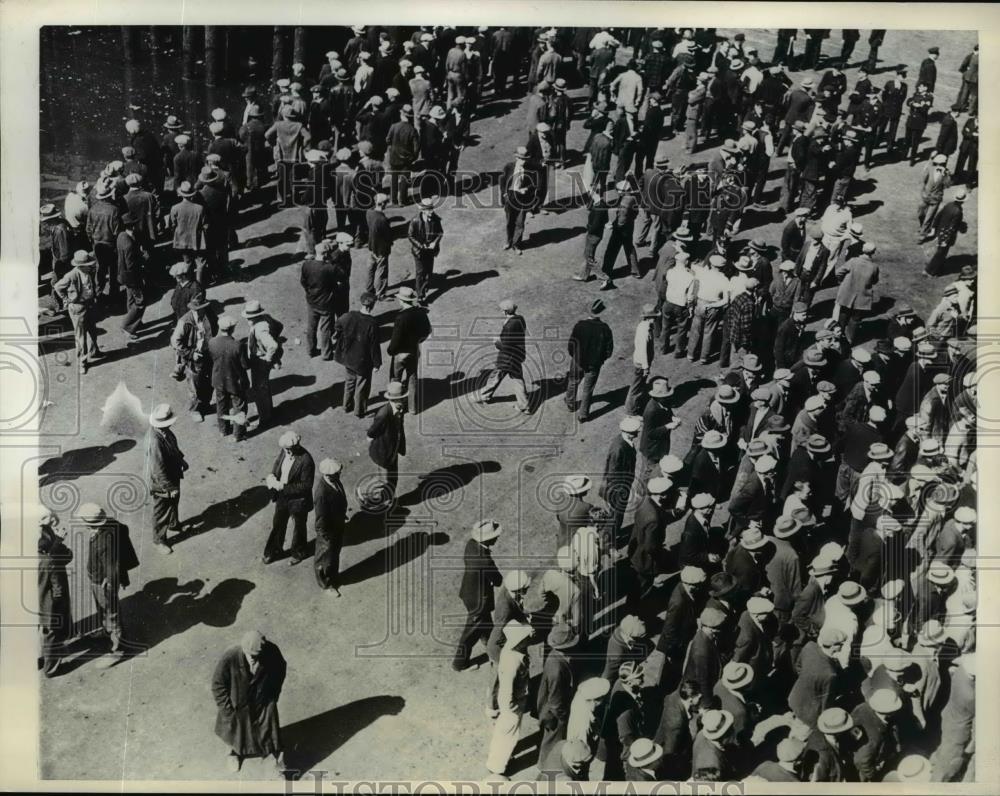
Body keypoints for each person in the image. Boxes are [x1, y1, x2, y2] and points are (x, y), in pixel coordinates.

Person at [211, 630, 287, 774]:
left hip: (262, 700)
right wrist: (227, 711)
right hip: (237, 703)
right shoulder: (230, 656)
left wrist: (273, 694)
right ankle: (233, 754)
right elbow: (217, 685)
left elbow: (280, 669)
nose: (253, 659)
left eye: (257, 656)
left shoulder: (272, 651)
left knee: (269, 733)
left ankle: (274, 763)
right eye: (250, 655)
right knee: (234, 733)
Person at [81, 502, 139, 665]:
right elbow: (123, 529)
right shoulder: (109, 524)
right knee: (103, 610)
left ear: (90, 523)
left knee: (111, 614)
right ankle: (106, 632)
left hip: (104, 584)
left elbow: (112, 567)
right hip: (97, 579)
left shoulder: (104, 542)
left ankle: (117, 649)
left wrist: (111, 586)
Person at [452, 519, 503, 671]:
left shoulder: (471, 545)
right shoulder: (485, 561)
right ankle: (460, 663)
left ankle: (491, 644)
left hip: (469, 592)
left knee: (485, 623)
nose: (497, 538)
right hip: (479, 601)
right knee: (470, 634)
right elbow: (498, 580)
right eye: (495, 536)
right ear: (487, 539)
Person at [485, 621, 532, 779]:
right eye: (525, 637)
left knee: (504, 733)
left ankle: (498, 760)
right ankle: (498, 767)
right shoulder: (513, 661)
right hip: (512, 705)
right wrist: (512, 709)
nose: (529, 638)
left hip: (514, 702)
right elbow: (507, 692)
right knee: (508, 735)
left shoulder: (512, 652)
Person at [475, 299, 530, 413]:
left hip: (507, 357)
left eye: (502, 310)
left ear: (506, 311)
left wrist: (496, 341)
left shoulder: (509, 326)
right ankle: (524, 406)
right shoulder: (520, 319)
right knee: (517, 379)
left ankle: (483, 396)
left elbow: (504, 345)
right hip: (518, 355)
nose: (501, 312)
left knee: (495, 376)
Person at [147, 403, 187, 555]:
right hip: (162, 483)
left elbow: (174, 448)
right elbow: (158, 470)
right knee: (161, 510)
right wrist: (169, 488)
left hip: (173, 475)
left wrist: (181, 460)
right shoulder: (155, 441)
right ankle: (159, 540)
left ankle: (174, 524)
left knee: (174, 503)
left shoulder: (165, 432)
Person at [334, 292, 382, 417]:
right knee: (362, 386)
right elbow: (374, 346)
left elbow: (337, 325)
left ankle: (346, 406)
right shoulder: (372, 323)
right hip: (363, 361)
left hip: (348, 358)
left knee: (349, 382)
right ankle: (359, 411)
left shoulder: (349, 316)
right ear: (372, 305)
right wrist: (377, 363)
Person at [536, 622, 578, 766]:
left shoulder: (555, 656)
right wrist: (564, 718)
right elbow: (555, 702)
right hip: (554, 714)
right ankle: (546, 766)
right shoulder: (557, 670)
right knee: (552, 740)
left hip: (551, 709)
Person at [565, 298, 614, 423]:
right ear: (601, 313)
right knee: (588, 389)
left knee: (573, 381)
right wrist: (601, 359)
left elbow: (571, 344)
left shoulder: (580, 325)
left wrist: (575, 356)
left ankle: (570, 403)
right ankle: (583, 414)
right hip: (594, 364)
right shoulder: (605, 328)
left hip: (577, 361)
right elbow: (609, 349)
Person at [37, 507, 72, 678]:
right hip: (49, 601)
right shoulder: (49, 560)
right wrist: (59, 542)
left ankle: (39, 658)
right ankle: (51, 668)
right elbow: (57, 585)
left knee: (37, 630)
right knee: (51, 632)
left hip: (34, 597)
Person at [53, 250, 101, 374]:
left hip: (89, 305)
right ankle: (82, 362)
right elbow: (57, 287)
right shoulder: (72, 275)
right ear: (80, 266)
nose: (91, 266)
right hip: (78, 308)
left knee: (93, 331)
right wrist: (66, 300)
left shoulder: (89, 272)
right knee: (81, 337)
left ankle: (94, 351)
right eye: (88, 264)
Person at [386, 286, 432, 415]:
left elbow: (396, 340)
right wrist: (418, 342)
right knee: (412, 378)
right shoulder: (421, 312)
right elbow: (427, 331)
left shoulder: (401, 317)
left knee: (395, 380)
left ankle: (397, 407)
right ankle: (412, 408)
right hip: (413, 350)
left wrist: (390, 351)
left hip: (400, 353)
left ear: (402, 300)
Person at [241, 301, 283, 431]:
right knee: (263, 386)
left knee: (259, 389)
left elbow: (273, 345)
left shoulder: (260, 329)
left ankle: (265, 418)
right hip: (261, 358)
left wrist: (267, 357)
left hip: (260, 361)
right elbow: (280, 326)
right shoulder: (266, 318)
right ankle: (268, 411)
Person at [600, 416, 640, 545]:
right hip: (618, 488)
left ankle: (609, 535)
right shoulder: (619, 448)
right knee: (616, 515)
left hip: (621, 485)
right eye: (635, 431)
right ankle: (608, 541)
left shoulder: (624, 441)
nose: (638, 433)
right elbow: (612, 473)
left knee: (615, 514)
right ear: (628, 432)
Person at [367, 380, 408, 501]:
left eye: (404, 398)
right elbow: (371, 432)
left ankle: (388, 499)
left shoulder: (400, 408)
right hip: (384, 452)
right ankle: (381, 501)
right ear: (393, 400)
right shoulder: (383, 414)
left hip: (393, 450)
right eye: (401, 398)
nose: (404, 401)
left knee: (393, 478)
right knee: (385, 480)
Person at [313, 458, 348, 595]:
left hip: (337, 525)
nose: (339, 475)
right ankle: (326, 584)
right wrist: (324, 537)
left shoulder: (335, 481)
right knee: (324, 558)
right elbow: (320, 519)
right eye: (336, 474)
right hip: (328, 532)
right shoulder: (321, 493)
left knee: (334, 555)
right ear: (327, 475)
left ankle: (333, 577)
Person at [834, 242, 879, 344]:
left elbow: (838, 272)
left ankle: (837, 337)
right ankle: (849, 341)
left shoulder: (853, 261)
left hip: (847, 295)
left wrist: (843, 281)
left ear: (862, 250)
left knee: (843, 316)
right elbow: (875, 281)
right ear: (873, 252)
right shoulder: (874, 267)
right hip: (862, 298)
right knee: (855, 320)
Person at [407, 197, 443, 303]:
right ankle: (420, 295)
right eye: (428, 209)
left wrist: (434, 243)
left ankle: (425, 286)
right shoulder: (415, 220)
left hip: (430, 251)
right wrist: (421, 246)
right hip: (419, 251)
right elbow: (410, 236)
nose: (431, 211)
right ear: (422, 210)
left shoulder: (436, 219)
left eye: (431, 208)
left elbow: (440, 232)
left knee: (428, 272)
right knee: (420, 272)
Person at [925, 189, 968, 277]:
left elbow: (938, 216)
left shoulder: (949, 205)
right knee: (940, 254)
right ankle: (929, 271)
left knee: (939, 253)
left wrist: (933, 228)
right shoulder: (958, 211)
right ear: (963, 201)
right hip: (946, 236)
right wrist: (946, 240)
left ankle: (933, 268)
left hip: (939, 232)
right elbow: (951, 228)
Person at [365, 193, 392, 300]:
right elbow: (388, 236)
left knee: (370, 269)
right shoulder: (382, 219)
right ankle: (380, 294)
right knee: (382, 272)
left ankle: (369, 288)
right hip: (381, 249)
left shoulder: (369, 213)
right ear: (383, 204)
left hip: (371, 246)